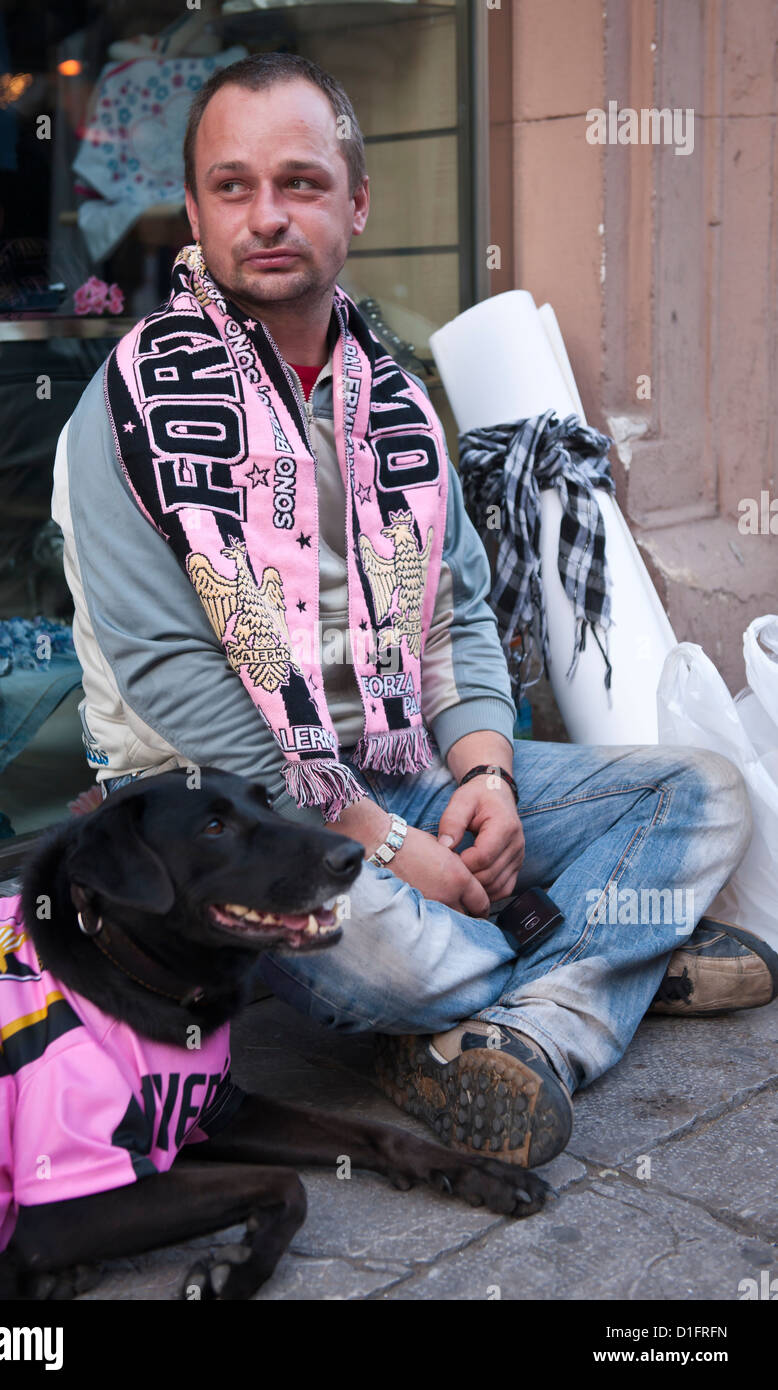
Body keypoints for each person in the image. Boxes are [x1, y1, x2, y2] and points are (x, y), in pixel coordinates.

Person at [52, 53, 770, 1170]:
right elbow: (175, 685)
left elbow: (456, 618)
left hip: (403, 759)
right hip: (231, 810)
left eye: (299, 182)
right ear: (192, 211)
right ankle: (588, 972)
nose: (266, 216)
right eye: (231, 187)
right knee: (401, 959)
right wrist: (380, 844)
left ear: (356, 202)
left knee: (701, 792)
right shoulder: (131, 406)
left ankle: (498, 1029)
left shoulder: (396, 398)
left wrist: (482, 774)